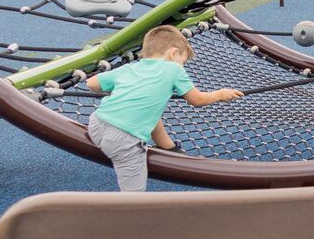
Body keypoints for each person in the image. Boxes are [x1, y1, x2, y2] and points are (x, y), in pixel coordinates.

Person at [83, 24, 241, 192]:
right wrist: (220, 94)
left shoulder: (131, 67)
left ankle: (167, 146)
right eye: (183, 62)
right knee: (133, 194)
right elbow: (197, 100)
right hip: (124, 139)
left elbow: (91, 83)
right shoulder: (174, 69)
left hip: (96, 124)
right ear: (173, 53)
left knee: (149, 111)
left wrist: (124, 90)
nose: (182, 66)